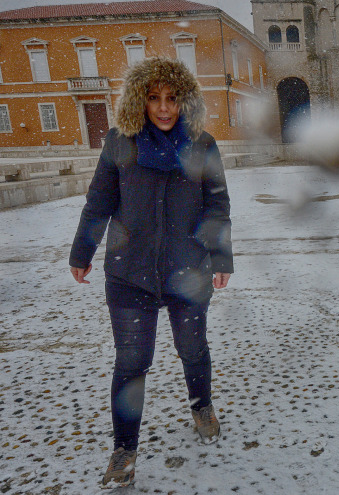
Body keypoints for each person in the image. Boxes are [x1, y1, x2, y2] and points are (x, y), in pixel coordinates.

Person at [69, 57, 233, 488]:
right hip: (129, 276)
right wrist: (82, 251)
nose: (163, 108)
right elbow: (99, 201)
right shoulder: (120, 141)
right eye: (154, 98)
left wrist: (220, 258)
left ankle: (201, 404)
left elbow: (217, 204)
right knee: (131, 363)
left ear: (184, 101)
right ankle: (124, 450)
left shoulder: (202, 145)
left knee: (193, 349)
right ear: (139, 100)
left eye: (172, 98)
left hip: (188, 273)